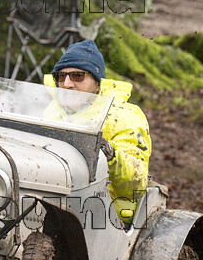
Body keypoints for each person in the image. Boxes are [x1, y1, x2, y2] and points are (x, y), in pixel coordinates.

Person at [47, 39, 151, 224]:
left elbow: (137, 184)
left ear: (97, 83)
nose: (67, 84)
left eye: (77, 76)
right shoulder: (49, 110)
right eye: (61, 77)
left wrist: (110, 153)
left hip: (104, 214)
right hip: (48, 201)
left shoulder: (124, 116)